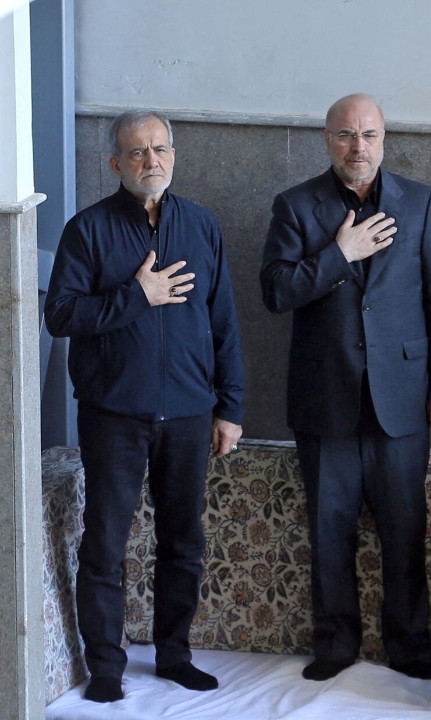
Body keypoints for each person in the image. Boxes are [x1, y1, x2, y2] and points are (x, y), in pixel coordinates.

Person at [45, 109, 245, 702]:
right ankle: (106, 667)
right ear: (116, 163)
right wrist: (137, 294)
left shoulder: (201, 226)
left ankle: (174, 656)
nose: (150, 160)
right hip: (113, 414)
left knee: (183, 541)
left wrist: (230, 407)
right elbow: (61, 315)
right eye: (136, 152)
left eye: (159, 149)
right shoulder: (87, 229)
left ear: (174, 156)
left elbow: (223, 322)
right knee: (105, 542)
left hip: (188, 413)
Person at [260, 93, 431, 681]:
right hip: (325, 398)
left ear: (383, 139)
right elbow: (275, 292)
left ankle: (411, 647)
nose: (358, 147)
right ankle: (335, 646)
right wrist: (338, 255)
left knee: (405, 529)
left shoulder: (421, 202)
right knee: (330, 530)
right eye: (346, 135)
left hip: (403, 396)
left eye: (368, 135)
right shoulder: (296, 205)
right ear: (328, 140)